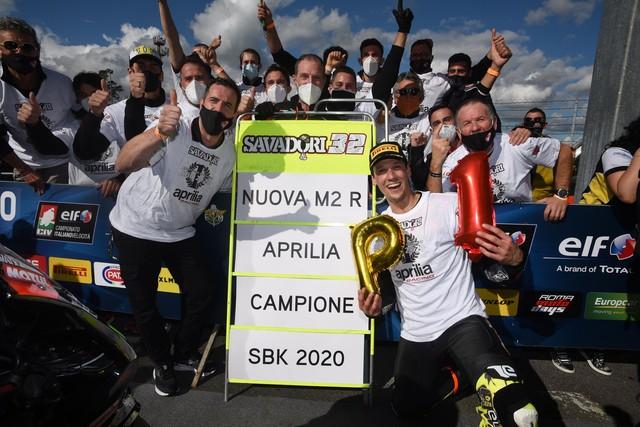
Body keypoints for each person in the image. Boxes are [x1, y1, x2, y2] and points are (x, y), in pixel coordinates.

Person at [360, 140, 538, 426]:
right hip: (417, 331)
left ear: (408, 170)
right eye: (381, 171)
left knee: (519, 412)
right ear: (374, 180)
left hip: (462, 320)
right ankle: (465, 373)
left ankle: (487, 374)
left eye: (396, 167)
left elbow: (493, 267)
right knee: (405, 408)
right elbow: (388, 296)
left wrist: (515, 259)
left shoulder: (448, 204)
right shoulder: (377, 230)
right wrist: (375, 307)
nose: (390, 176)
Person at [110, 77, 241, 396]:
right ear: (202, 102)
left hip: (180, 231)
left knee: (202, 291)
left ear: (234, 114)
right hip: (136, 226)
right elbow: (123, 162)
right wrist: (157, 134)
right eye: (213, 101)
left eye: (227, 105)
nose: (218, 109)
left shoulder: (230, 153)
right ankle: (162, 362)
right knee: (145, 304)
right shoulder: (175, 127)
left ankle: (182, 353)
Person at [439, 98, 573, 222]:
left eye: (481, 119)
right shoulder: (452, 162)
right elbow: (441, 202)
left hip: (518, 222)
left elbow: (564, 151)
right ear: (459, 131)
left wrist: (560, 195)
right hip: (475, 225)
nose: (475, 127)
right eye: (467, 123)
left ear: (494, 123)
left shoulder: (515, 144)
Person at [72, 45, 168, 197]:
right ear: (130, 73)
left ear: (161, 74)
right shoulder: (115, 111)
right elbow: (85, 152)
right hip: (137, 195)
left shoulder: (177, 106)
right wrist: (94, 115)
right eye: (141, 66)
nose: (147, 71)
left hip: (170, 193)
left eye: (153, 67)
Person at [0, 16, 79, 184]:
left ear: (37, 51)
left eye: (27, 47)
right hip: (22, 164)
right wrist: (25, 171)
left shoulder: (62, 83)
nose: (19, 52)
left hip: (62, 163)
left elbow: (83, 119)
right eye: (10, 45)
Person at [355, 38, 384, 116]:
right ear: (360, 61)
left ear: (382, 61)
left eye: (374, 55)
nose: (370, 59)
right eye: (366, 55)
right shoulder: (352, 82)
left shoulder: (390, 85)